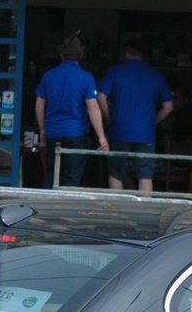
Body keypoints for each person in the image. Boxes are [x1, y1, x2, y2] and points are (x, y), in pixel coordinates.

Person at [34, 33, 108, 188]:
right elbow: (92, 107)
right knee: (72, 177)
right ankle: (64, 209)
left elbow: (39, 104)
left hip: (53, 132)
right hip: (76, 134)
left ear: (61, 56)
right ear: (81, 56)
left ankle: (45, 206)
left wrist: (42, 129)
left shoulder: (49, 75)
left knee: (52, 172)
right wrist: (101, 136)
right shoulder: (86, 78)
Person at [99, 44, 175, 194]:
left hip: (119, 130)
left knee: (116, 173)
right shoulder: (156, 76)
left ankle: (116, 210)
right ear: (145, 56)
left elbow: (100, 97)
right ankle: (144, 213)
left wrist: (110, 119)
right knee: (145, 176)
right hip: (145, 132)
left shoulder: (115, 72)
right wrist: (152, 122)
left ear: (127, 54)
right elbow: (169, 107)